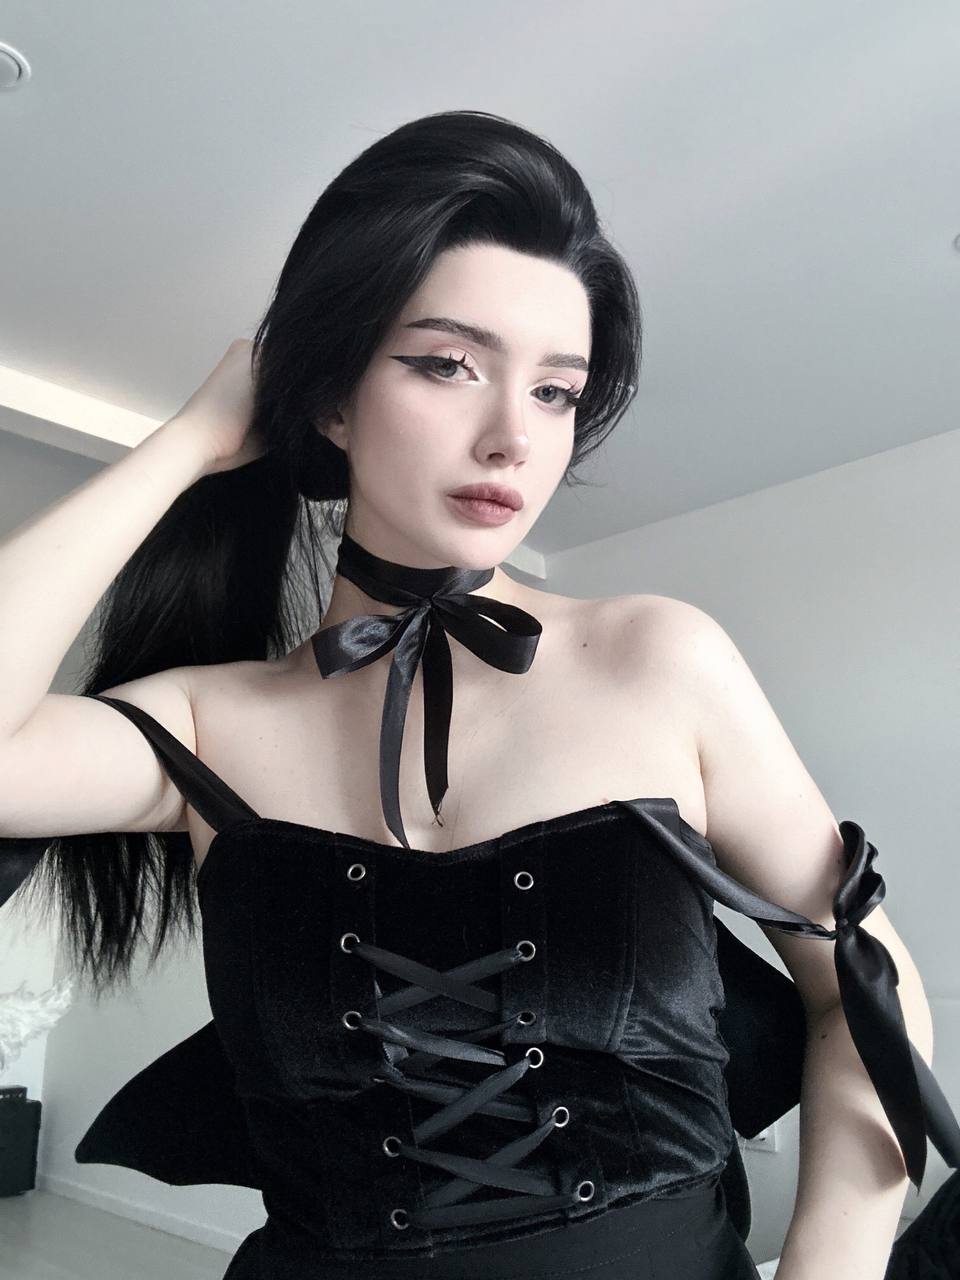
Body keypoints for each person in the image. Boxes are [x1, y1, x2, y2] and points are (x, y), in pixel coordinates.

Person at [0, 110, 957, 1280]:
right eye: (447, 363)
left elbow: (863, 983)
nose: (513, 434)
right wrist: (190, 440)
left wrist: (828, 1266)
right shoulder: (208, 723)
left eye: (556, 390)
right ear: (331, 396)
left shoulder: (660, 660)